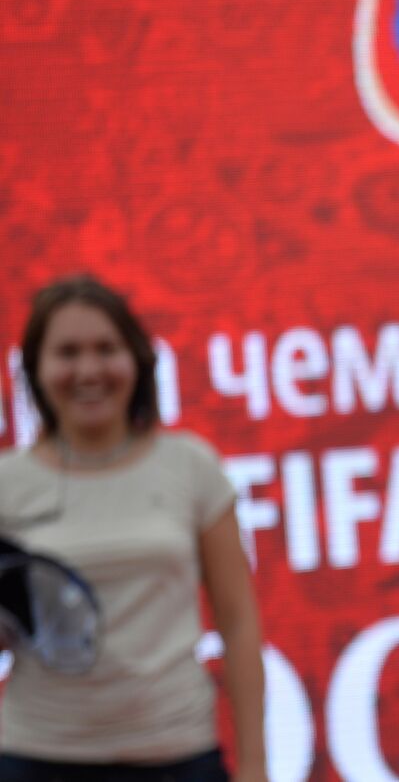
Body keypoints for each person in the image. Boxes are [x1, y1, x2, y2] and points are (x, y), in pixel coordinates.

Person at [0, 276, 266, 782]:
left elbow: (238, 623)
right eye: (67, 353)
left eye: (106, 349)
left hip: (178, 754)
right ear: (34, 369)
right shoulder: (6, 484)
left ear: (139, 360)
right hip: (36, 756)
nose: (89, 370)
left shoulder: (191, 466)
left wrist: (254, 765)